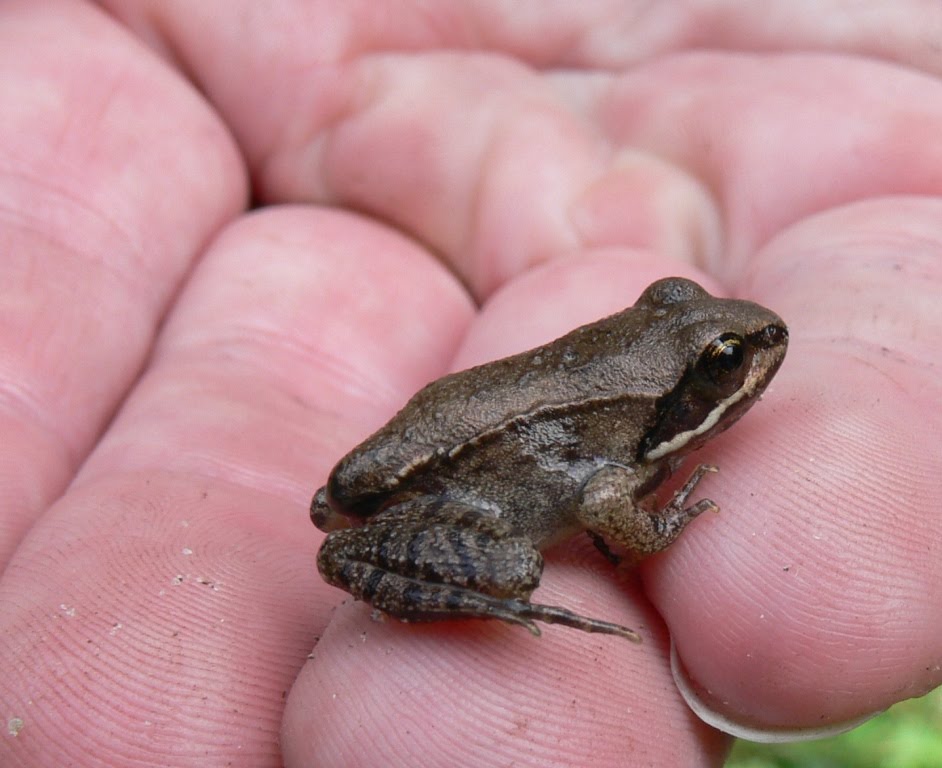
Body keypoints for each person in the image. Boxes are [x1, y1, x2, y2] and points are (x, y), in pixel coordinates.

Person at [1, 3, 939, 766]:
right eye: (719, 364)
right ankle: (486, 592)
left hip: (444, 430)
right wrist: (653, 533)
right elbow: (606, 494)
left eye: (722, 353)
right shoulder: (625, 449)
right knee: (514, 562)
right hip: (450, 482)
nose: (746, 347)